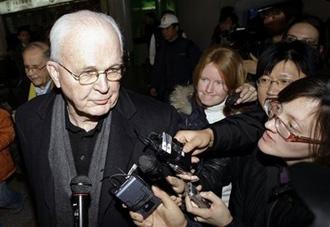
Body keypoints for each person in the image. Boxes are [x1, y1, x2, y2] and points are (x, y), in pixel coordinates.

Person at [15, 10, 180, 227]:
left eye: (113, 69)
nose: (104, 87)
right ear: (55, 73)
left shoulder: (159, 121)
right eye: (87, 73)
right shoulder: (28, 119)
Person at [129, 41, 322, 226]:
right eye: (264, 79)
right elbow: (222, 165)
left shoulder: (314, 201)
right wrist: (191, 186)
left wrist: (226, 224)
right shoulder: (258, 134)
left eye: (284, 81)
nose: (272, 89)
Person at [169, 45, 256, 199]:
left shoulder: (242, 121)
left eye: (219, 83)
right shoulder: (179, 111)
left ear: (233, 86)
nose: (209, 89)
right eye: (204, 79)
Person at [150, 13, 201, 102]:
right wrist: (154, 85)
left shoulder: (188, 46)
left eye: (167, 28)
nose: (164, 32)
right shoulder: (162, 48)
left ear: (176, 28)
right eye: (163, 29)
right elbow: (157, 68)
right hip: (165, 94)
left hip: (183, 94)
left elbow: (198, 68)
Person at [0, 107, 24, 212]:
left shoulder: (1, 114)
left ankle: (18, 200)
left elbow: (9, 133)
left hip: (1, 165)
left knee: (2, 198)